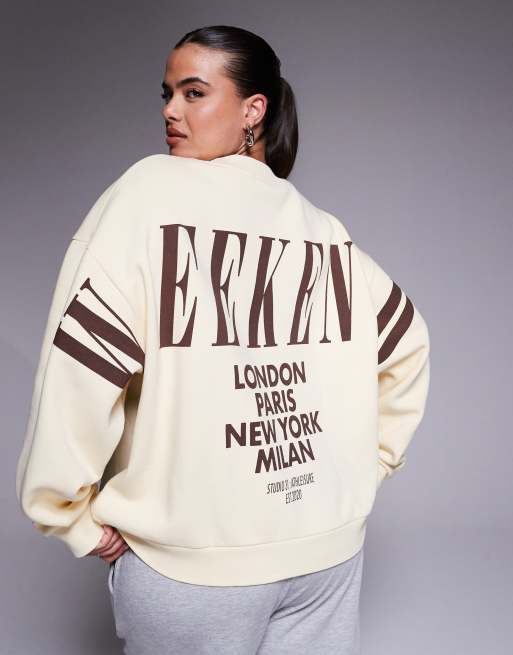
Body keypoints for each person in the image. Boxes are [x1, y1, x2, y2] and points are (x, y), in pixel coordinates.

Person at [15, 24, 431, 655]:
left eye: (193, 93)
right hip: (328, 559)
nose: (170, 110)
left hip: (193, 571)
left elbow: (80, 367)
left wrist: (66, 514)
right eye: (166, 94)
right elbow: (407, 344)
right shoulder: (323, 231)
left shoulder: (147, 196)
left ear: (253, 110)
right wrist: (361, 475)